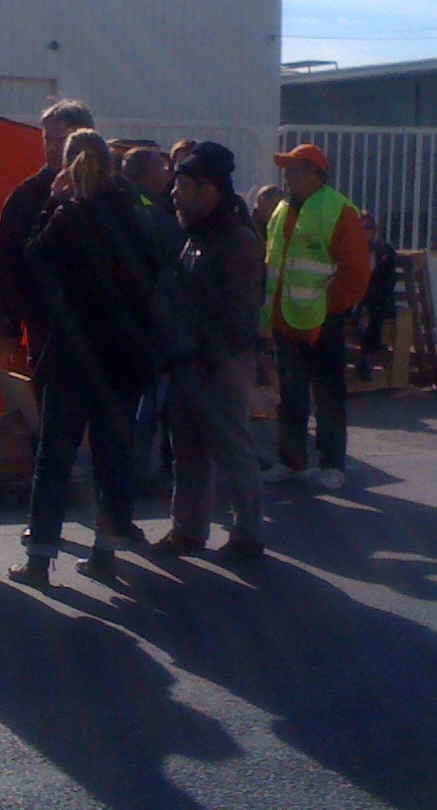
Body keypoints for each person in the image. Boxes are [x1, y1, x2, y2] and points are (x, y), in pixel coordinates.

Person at [8, 129, 159, 588]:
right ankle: (105, 553)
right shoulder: (134, 216)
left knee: (54, 459)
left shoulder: (69, 215)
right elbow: (154, 275)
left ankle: (39, 561)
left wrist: (52, 204)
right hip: (124, 357)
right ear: (111, 166)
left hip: (72, 356)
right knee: (112, 458)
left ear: (68, 169)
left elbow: (32, 262)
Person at [153, 141, 267, 561]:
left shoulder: (238, 241)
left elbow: (241, 314)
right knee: (187, 450)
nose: (175, 194)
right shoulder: (195, 235)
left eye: (183, 187)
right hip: (190, 361)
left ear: (210, 189)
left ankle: (247, 535)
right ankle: (187, 531)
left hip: (220, 364)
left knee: (231, 449)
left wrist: (207, 357)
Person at [260, 143, 371, 490]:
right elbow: (273, 264)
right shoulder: (282, 209)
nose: (286, 176)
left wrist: (327, 308)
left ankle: (332, 464)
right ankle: (291, 462)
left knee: (328, 394)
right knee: (290, 394)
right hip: (287, 319)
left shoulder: (339, 210)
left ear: (314, 173)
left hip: (323, 321)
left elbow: (355, 271)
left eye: (293, 169)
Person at [0, 99, 94, 373]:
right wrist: (7, 325)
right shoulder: (28, 196)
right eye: (48, 140)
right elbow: (0, 262)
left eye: (62, 140)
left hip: (105, 328)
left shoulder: (115, 192)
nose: (54, 149)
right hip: (48, 329)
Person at [120, 143, 185, 489]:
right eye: (162, 168)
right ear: (148, 174)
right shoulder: (154, 215)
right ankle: (138, 468)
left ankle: (129, 466)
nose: (168, 173)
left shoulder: (119, 205)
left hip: (127, 319)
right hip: (152, 322)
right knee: (150, 397)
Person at [352, 211, 398, 381]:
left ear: (374, 230)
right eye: (361, 227)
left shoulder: (384, 250)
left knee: (372, 307)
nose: (365, 230)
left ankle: (365, 358)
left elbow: (389, 281)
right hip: (355, 299)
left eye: (369, 227)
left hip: (377, 300)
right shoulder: (351, 249)